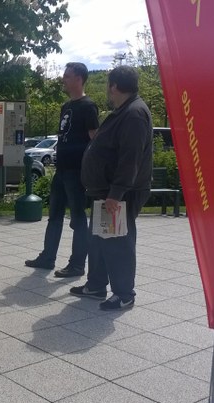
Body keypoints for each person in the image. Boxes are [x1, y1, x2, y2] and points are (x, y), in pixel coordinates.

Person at [72, 65, 153, 310]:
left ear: (114, 86)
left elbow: (131, 158)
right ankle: (96, 285)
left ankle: (124, 293)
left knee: (118, 242)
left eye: (108, 85)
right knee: (99, 240)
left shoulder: (134, 114)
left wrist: (116, 194)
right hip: (106, 191)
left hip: (119, 194)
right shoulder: (123, 111)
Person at [25, 62, 99, 278]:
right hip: (61, 170)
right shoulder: (66, 106)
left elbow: (95, 140)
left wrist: (91, 170)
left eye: (67, 76)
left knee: (78, 219)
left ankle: (77, 265)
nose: (63, 79)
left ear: (79, 79)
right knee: (54, 215)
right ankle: (48, 257)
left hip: (76, 172)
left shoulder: (88, 106)